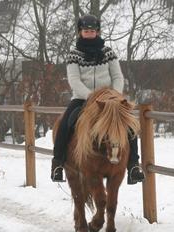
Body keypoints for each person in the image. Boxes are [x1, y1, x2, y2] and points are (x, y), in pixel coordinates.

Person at [51, 14, 145, 185]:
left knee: (129, 125)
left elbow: (117, 76)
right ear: (80, 32)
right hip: (83, 98)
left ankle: (133, 166)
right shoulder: (74, 55)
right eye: (86, 31)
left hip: (110, 100)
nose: (89, 33)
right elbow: (74, 80)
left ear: (97, 32)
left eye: (92, 31)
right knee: (66, 122)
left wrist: (114, 96)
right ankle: (58, 163)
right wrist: (91, 97)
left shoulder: (108, 53)